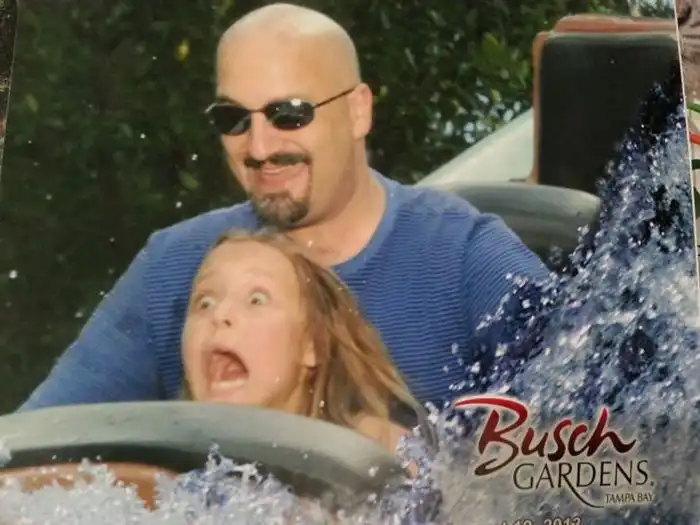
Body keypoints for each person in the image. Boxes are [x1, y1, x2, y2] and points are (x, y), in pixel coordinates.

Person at [18, 3, 551, 413]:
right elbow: (36, 450)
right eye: (233, 119)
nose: (259, 147)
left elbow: (585, 443)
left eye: (289, 114)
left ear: (358, 111)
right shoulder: (175, 267)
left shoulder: (464, 259)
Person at [179, 228, 416, 453]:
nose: (219, 314)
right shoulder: (165, 467)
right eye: (204, 303)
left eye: (256, 300)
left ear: (313, 344)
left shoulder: (376, 449)